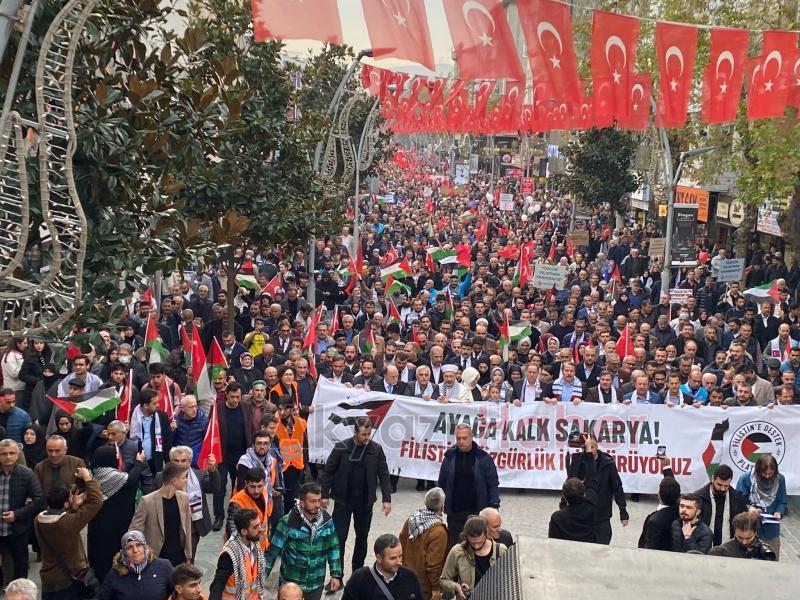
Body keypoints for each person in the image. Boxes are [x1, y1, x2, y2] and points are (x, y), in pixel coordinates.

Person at [319, 416, 392, 572]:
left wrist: (387, 499)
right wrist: (324, 494)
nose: (367, 438)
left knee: (362, 538)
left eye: (369, 434)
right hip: (343, 500)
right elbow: (328, 472)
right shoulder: (341, 447)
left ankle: (357, 571)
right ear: (355, 432)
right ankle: (336, 575)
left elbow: (384, 474)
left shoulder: (376, 450)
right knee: (339, 539)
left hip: (365, 502)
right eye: (363, 434)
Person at [264, 482, 343, 600]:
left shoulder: (327, 521)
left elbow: (334, 547)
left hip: (316, 584)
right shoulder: (287, 522)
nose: (317, 505)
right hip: (292, 586)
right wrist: (261, 579)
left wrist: (336, 574)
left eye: (319, 500)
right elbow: (272, 553)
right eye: (312, 501)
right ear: (301, 503)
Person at [34, 466, 102, 600]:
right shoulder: (69, 523)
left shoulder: (38, 520)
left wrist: (73, 507)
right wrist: (88, 478)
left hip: (48, 579)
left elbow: (60, 522)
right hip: (67, 581)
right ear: (65, 503)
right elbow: (96, 502)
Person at [88, 445, 146, 581]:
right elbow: (131, 480)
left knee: (99, 557)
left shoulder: (93, 474)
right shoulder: (112, 476)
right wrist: (138, 462)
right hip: (116, 525)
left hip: (98, 525)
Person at [437, 423, 500, 546]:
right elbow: (442, 483)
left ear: (471, 437)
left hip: (476, 513)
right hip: (454, 513)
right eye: (458, 438)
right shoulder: (449, 457)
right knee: (455, 547)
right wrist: (440, 505)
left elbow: (493, 484)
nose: (461, 441)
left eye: (464, 438)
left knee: (477, 544)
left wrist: (494, 506)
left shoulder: (483, 458)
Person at [561, 434, 627, 544]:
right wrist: (563, 506)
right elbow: (570, 484)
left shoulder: (607, 463)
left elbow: (617, 487)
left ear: (597, 446)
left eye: (593, 447)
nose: (591, 450)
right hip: (581, 513)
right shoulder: (577, 460)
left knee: (602, 547)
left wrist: (623, 511)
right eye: (588, 447)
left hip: (601, 514)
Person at [129, 461, 193, 566]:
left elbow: (187, 528)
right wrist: (142, 554)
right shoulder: (147, 501)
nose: (186, 480)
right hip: (156, 558)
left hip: (179, 556)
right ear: (174, 481)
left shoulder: (184, 498)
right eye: (184, 477)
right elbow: (134, 531)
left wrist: (189, 556)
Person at [162, 446, 220, 557]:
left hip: (192, 526)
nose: (180, 464)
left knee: (189, 557)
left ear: (189, 462)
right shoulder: (161, 477)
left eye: (183, 460)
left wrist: (212, 471)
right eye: (176, 461)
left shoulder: (199, 475)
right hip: (169, 526)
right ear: (170, 462)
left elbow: (214, 488)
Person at [0, 438, 43, 579]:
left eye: (12, 453)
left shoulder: (27, 474)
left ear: (18, 454)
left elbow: (38, 500)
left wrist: (17, 514)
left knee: (20, 565)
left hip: (17, 529)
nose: (8, 457)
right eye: (4, 453)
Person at [213, 382, 252, 530]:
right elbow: (212, 432)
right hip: (223, 455)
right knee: (219, 486)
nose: (235, 400)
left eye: (238, 397)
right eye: (232, 397)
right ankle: (219, 516)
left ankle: (235, 514)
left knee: (240, 486)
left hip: (241, 454)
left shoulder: (245, 407)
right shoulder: (217, 409)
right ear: (226, 395)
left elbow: (249, 428)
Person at [399, 487, 449, 600]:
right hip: (424, 586)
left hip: (406, 577)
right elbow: (434, 564)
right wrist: (436, 588)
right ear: (442, 506)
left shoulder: (413, 519)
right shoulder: (439, 532)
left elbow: (401, 544)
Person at [440, 516, 506, 600]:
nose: (476, 546)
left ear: (486, 534)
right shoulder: (457, 551)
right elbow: (444, 579)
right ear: (466, 537)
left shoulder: (500, 550)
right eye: (472, 542)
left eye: (479, 542)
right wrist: (456, 587)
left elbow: (510, 580)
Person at [735, 453, 787, 559]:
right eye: (764, 473)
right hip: (749, 529)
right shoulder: (745, 479)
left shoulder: (780, 479)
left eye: (770, 473)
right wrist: (749, 508)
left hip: (771, 530)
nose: (767, 476)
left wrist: (779, 512)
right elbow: (738, 501)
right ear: (758, 470)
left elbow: (782, 501)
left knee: (772, 559)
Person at [209, 508, 268, 600]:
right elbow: (217, 584)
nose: (260, 529)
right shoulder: (229, 555)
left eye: (259, 524)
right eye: (255, 527)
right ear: (244, 532)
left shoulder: (255, 545)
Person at [342, 534, 424, 600]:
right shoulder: (359, 579)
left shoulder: (410, 577)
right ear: (379, 558)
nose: (399, 562)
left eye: (400, 556)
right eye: (393, 558)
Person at [97, 530, 174, 600]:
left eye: (138, 545)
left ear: (144, 547)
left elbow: (180, 590)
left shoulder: (163, 566)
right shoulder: (115, 573)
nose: (135, 550)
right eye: (129, 547)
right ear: (124, 552)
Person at [548, 437, 599, 543]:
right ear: (583, 493)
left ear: (565, 497)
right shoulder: (590, 508)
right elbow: (592, 478)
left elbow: (553, 542)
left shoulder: (557, 518)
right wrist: (589, 451)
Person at [694, 464, 748, 546]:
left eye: (726, 486)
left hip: (729, 548)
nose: (722, 489)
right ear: (712, 479)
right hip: (703, 547)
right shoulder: (698, 497)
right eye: (719, 485)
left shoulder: (738, 499)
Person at [274, 394, 308, 515]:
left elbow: (305, 446)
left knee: (293, 497)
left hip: (297, 466)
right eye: (280, 409)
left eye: (285, 409)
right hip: (281, 467)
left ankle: (291, 520)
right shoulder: (274, 424)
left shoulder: (301, 423)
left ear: (291, 408)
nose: (282, 412)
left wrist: (305, 465)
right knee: (283, 498)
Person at [128, 389, 174, 477]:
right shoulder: (130, 417)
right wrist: (125, 430)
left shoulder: (162, 416)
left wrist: (168, 463)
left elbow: (167, 441)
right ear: (145, 405)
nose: (158, 405)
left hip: (156, 461)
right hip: (138, 460)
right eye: (154, 403)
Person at [639, 457, 681, 550]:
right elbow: (672, 487)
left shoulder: (655, 521)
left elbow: (649, 547)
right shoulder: (681, 511)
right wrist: (666, 467)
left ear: (659, 495)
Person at [225, 467, 270, 552]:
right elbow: (231, 526)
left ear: (264, 483)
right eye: (252, 487)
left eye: (259, 486)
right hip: (245, 550)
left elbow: (266, 516)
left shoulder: (264, 492)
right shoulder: (237, 502)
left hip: (261, 546)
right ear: (246, 483)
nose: (256, 490)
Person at [172, 395, 208, 467]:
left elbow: (207, 441)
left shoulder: (203, 420)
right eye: (191, 407)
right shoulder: (175, 420)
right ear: (182, 409)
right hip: (179, 462)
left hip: (196, 462)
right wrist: (172, 431)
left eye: (195, 406)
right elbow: (169, 441)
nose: (194, 409)